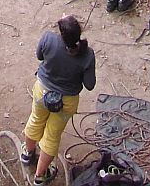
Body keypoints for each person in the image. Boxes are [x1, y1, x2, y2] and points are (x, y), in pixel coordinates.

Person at [21, 14, 96, 184]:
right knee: (52, 135)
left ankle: (28, 154)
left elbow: (39, 56)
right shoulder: (87, 54)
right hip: (66, 102)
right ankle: (40, 176)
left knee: (35, 120)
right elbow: (89, 85)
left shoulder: (49, 38)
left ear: (61, 32)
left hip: (42, 92)